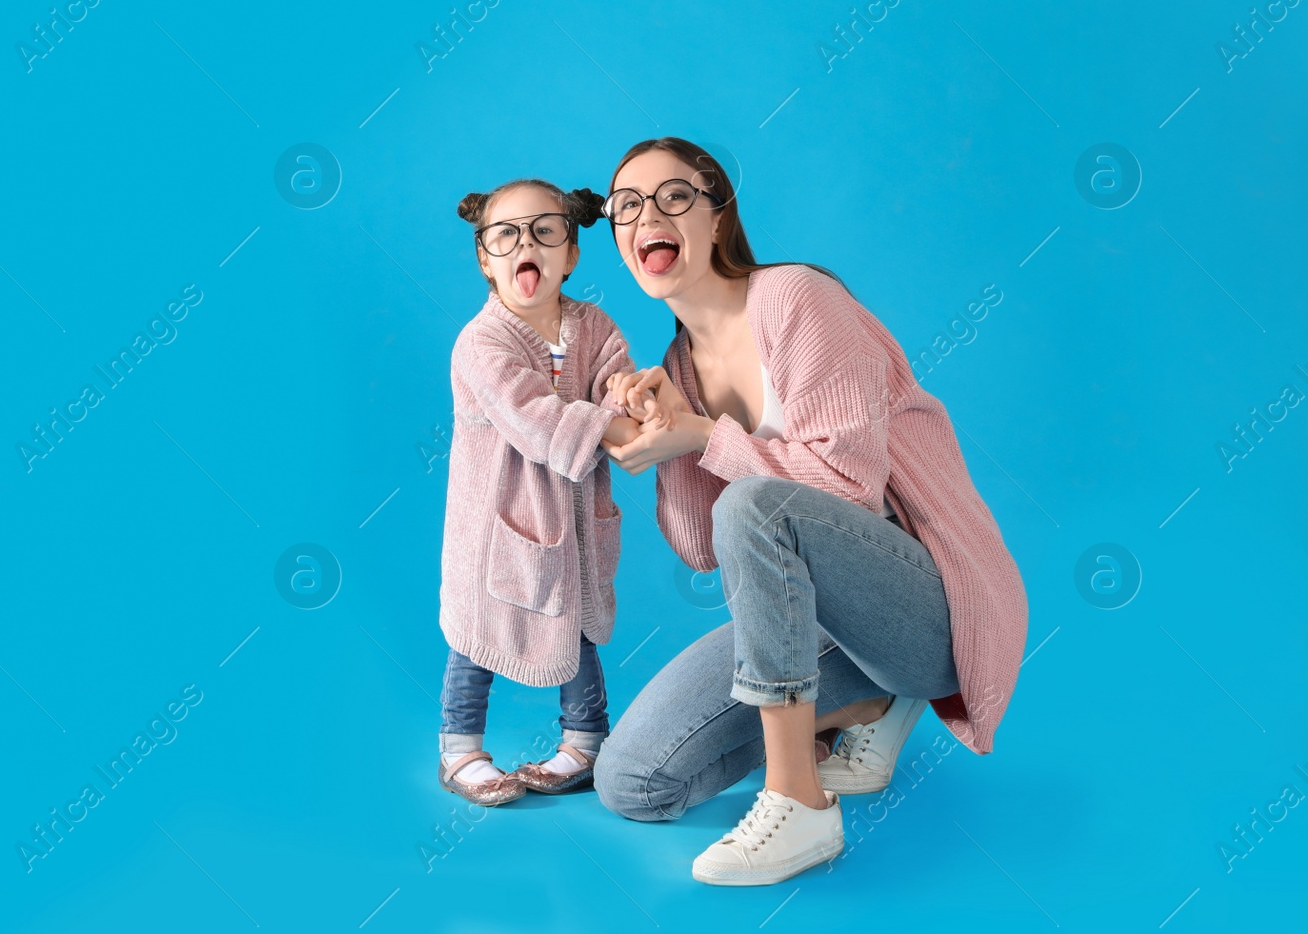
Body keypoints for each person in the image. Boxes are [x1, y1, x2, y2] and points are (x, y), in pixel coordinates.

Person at [592, 137, 1028, 885]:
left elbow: (849, 488)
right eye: (625, 206)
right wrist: (672, 438)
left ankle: (799, 800)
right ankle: (863, 708)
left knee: (759, 504)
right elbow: (703, 546)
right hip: (813, 623)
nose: (645, 217)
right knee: (633, 781)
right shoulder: (679, 367)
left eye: (673, 197)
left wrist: (708, 437)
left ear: (719, 215)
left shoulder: (796, 298)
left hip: (930, 607)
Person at [437, 177, 657, 805]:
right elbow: (535, 419)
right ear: (485, 257)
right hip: (498, 520)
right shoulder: (481, 343)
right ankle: (460, 747)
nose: (524, 246)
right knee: (475, 632)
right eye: (505, 235)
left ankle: (585, 741)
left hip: (579, 522)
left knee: (578, 624)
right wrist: (614, 424)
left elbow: (618, 380)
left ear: (570, 254)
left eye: (544, 231)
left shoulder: (594, 326)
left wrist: (629, 395)